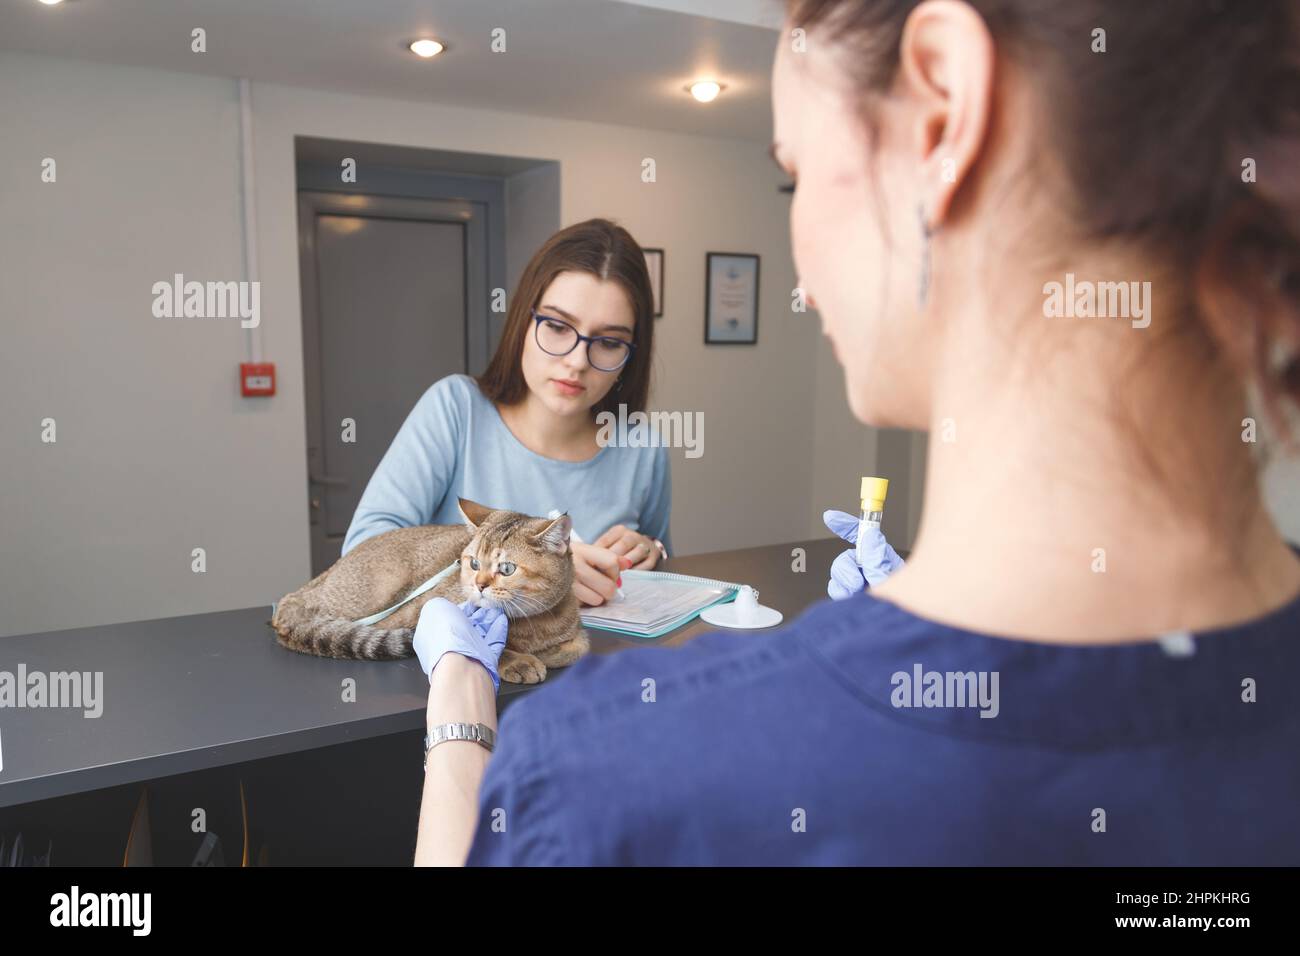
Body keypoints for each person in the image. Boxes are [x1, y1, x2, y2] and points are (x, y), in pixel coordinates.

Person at [414, 0, 1300, 866]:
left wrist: (461, 714)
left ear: (943, 110)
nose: (801, 259)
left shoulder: (601, 776)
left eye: (794, 176)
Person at [342, 218, 671, 607]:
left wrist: (650, 552)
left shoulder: (642, 444)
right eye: (557, 326)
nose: (577, 361)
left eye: (610, 343)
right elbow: (361, 554)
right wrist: (547, 574)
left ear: (631, 355)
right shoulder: (456, 409)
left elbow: (663, 588)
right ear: (522, 319)